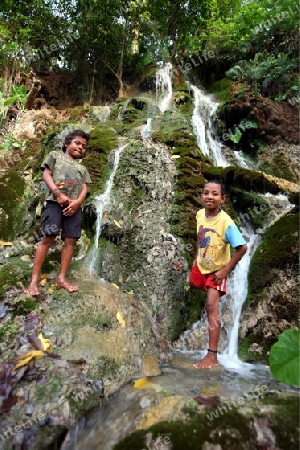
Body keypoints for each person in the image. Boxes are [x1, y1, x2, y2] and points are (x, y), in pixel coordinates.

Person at [24, 130, 92, 296]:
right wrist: (57, 193)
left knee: (70, 240)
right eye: (77, 143)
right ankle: (34, 280)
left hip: (74, 208)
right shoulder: (55, 155)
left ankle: (61, 278)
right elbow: (47, 174)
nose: (80, 147)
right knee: (48, 237)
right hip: (55, 203)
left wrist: (77, 203)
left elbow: (84, 188)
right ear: (66, 143)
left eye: (84, 146)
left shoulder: (82, 168)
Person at [189, 180, 247, 369]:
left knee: (211, 305)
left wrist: (224, 271)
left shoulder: (226, 223)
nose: (209, 197)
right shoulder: (199, 215)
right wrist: (196, 258)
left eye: (214, 194)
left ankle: (212, 355)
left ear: (222, 199)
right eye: (206, 193)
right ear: (201, 196)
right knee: (195, 287)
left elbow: (242, 248)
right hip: (202, 266)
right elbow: (200, 239)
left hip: (217, 271)